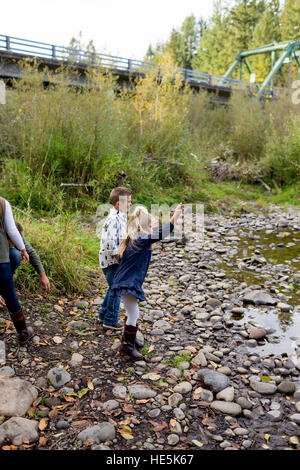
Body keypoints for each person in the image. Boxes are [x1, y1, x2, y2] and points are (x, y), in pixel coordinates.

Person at [111, 202, 184, 361]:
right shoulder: (140, 240)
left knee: (132, 312)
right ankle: (127, 346)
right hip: (127, 283)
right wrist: (176, 216)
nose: (153, 229)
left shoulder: (134, 239)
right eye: (151, 226)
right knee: (133, 312)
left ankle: (129, 338)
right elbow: (160, 234)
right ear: (144, 227)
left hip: (126, 281)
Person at [0, 196, 34, 345]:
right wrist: (22, 249)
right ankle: (23, 333)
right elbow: (12, 230)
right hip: (1, 258)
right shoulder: (2, 203)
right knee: (9, 294)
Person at [98, 186, 132, 331]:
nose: (130, 204)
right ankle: (110, 320)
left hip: (112, 260)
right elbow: (111, 242)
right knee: (117, 289)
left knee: (113, 287)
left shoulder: (120, 215)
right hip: (112, 261)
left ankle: (103, 314)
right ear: (119, 204)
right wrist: (119, 258)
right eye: (128, 202)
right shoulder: (114, 219)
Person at [0, 221, 51, 308]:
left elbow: (30, 252)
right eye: (13, 242)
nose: (16, 242)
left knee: (15, 255)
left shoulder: (15, 235)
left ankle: (4, 288)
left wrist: (43, 275)